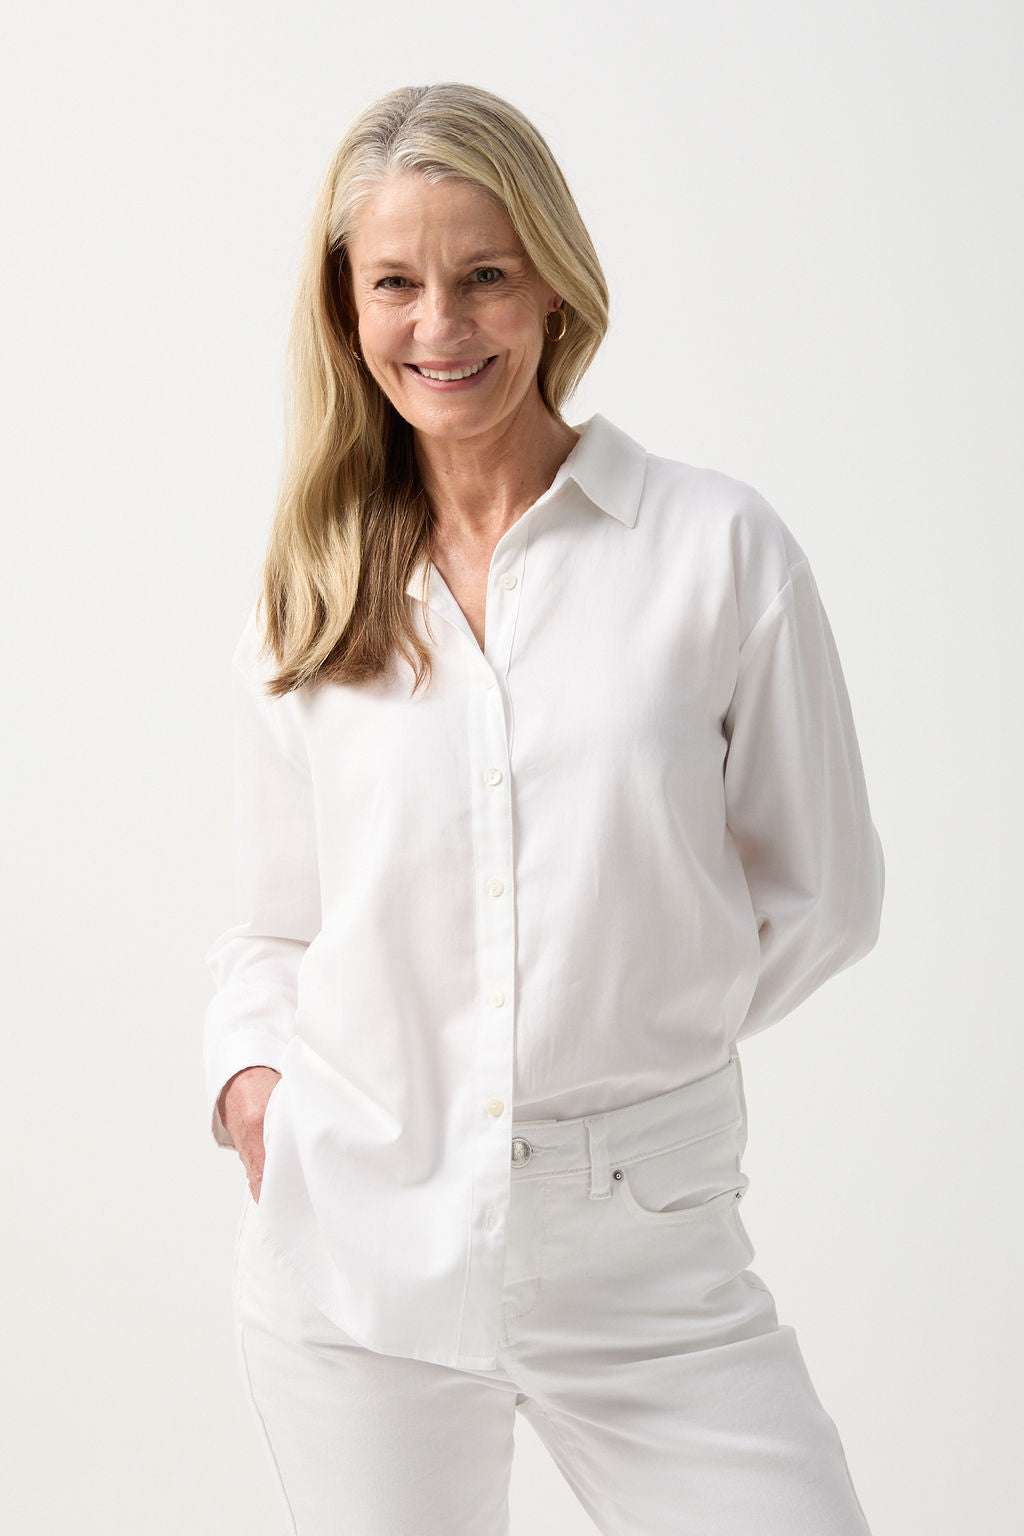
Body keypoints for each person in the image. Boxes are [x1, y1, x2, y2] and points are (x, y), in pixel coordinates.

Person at [203, 81, 884, 1536]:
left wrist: (627, 1021)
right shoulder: (310, 586)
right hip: (355, 1250)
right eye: (397, 283)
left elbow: (826, 895)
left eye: (484, 275)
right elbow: (276, 924)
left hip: (647, 1250)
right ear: (347, 308)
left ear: (553, 286)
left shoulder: (716, 549)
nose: (440, 325)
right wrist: (253, 1077)